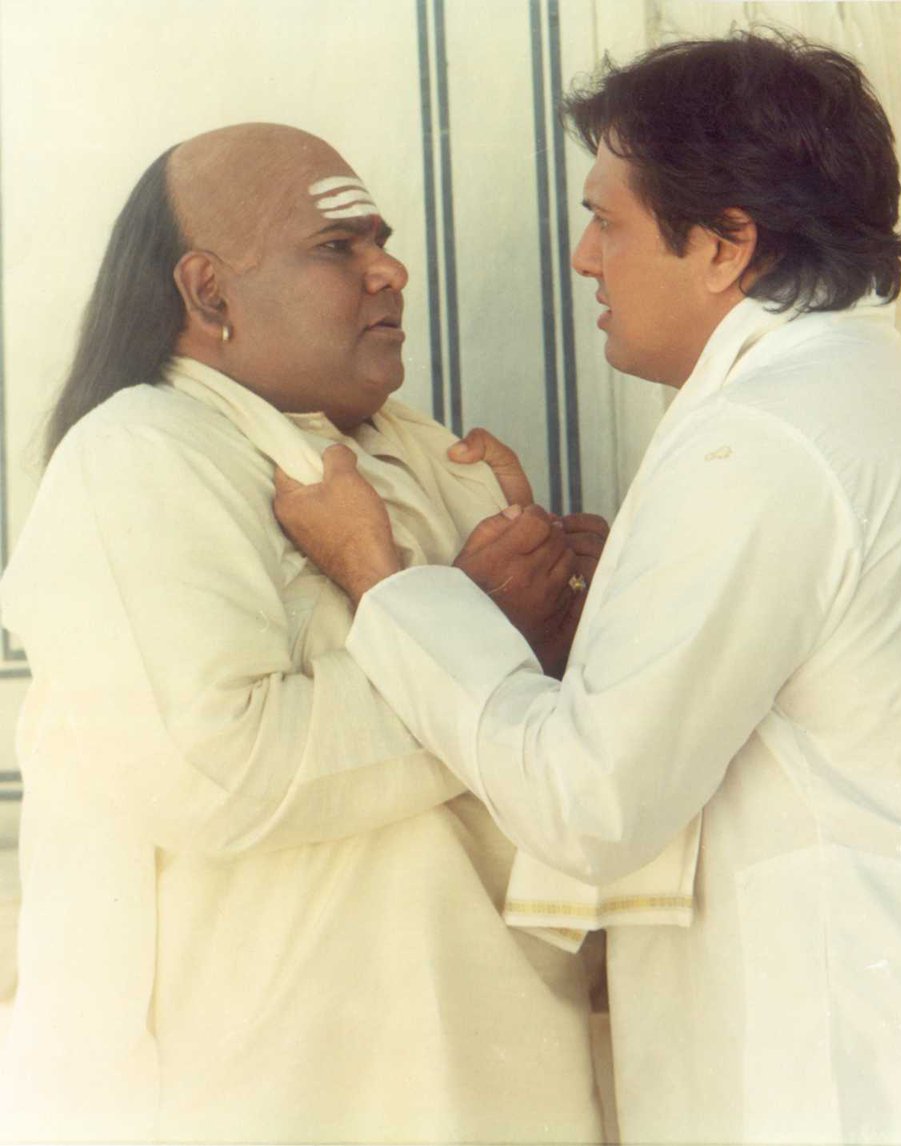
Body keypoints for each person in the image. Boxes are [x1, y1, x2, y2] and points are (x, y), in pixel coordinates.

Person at [274, 32, 901, 1146]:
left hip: (892, 1086)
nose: (584, 258)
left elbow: (589, 806)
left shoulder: (767, 443)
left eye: (608, 221)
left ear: (725, 245)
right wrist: (624, 602)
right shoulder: (851, 397)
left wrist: (382, 579)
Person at [0, 123, 606, 1143]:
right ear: (209, 294)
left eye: (383, 241)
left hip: (494, 1066)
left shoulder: (424, 449)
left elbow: (540, 766)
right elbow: (219, 774)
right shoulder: (138, 456)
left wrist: (586, 623)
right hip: (275, 1090)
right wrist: (484, 632)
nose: (390, 271)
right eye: (338, 247)